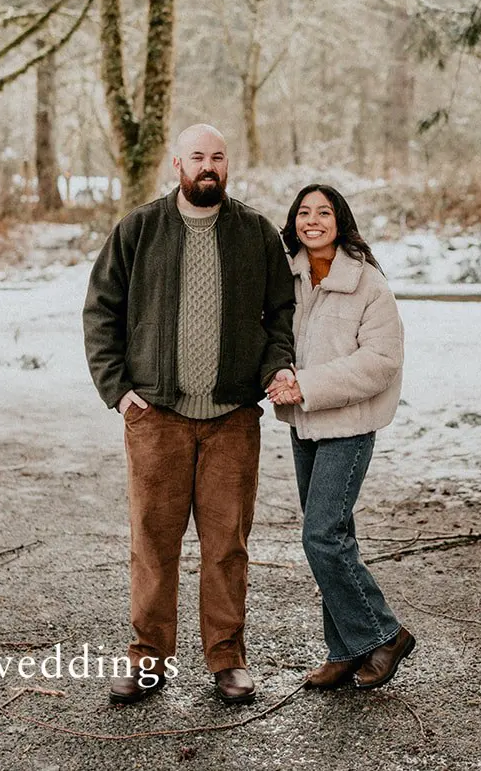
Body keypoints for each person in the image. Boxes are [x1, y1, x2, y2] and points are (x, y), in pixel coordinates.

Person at [83, 124, 296, 706]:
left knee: (226, 545)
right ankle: (148, 661)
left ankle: (227, 660)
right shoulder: (139, 229)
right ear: (176, 164)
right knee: (153, 543)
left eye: (218, 157)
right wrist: (118, 390)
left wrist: (273, 368)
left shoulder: (254, 232)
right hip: (157, 416)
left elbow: (281, 313)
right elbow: (101, 310)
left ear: (228, 166)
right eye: (197, 156)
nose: (208, 166)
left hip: (232, 417)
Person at [267, 183, 416, 690]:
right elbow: (274, 337)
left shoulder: (367, 283)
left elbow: (380, 362)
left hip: (348, 427)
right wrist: (278, 374)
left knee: (321, 536)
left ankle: (384, 634)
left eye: (324, 212)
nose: (313, 221)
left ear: (340, 221)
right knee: (335, 537)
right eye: (304, 213)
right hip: (304, 424)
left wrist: (305, 385)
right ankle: (345, 649)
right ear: (294, 222)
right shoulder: (287, 278)